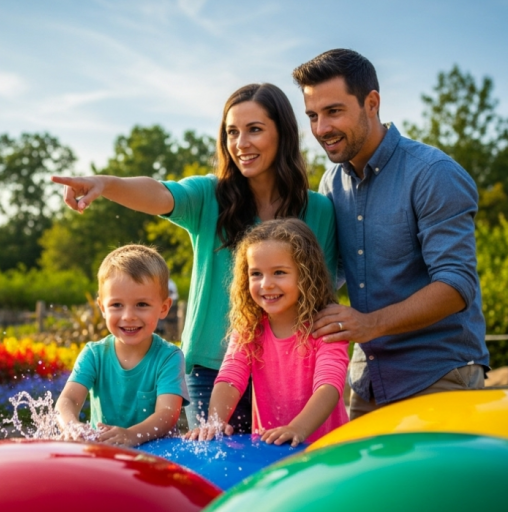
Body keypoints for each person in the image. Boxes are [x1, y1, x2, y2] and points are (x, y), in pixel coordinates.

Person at [52, 83, 338, 430]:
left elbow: (322, 294)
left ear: (283, 134)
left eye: (255, 130)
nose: (241, 143)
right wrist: (106, 184)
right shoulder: (209, 196)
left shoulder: (319, 210)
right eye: (232, 132)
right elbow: (159, 193)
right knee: (212, 459)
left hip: (290, 370)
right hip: (211, 369)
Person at [292, 49, 490, 420]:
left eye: (333, 111)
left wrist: (368, 324)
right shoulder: (331, 183)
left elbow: (457, 284)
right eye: (313, 116)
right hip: (367, 381)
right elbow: (330, 274)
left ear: (372, 103)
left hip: (438, 375)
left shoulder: (433, 173)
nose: (321, 129)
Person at [185, 219, 348, 446]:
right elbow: (230, 377)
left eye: (279, 272)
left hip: (326, 452)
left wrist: (297, 429)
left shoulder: (325, 327)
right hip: (270, 451)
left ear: (305, 274)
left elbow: (329, 386)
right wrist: (215, 421)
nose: (266, 284)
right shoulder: (250, 328)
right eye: (256, 274)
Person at [55, 245, 189, 447]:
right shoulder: (94, 355)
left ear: (164, 308)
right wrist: (71, 426)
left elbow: (167, 414)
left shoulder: (169, 357)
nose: (128, 316)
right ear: (102, 308)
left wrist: (131, 435)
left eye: (142, 304)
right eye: (116, 305)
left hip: (158, 455)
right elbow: (68, 401)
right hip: (107, 455)